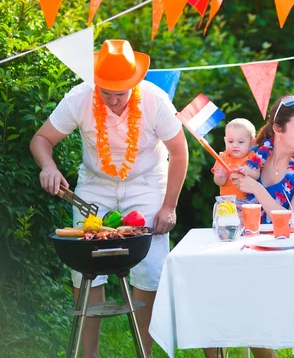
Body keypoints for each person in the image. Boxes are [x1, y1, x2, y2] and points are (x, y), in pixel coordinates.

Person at [30, 39, 189, 358]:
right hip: (94, 186)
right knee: (86, 265)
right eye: (107, 93)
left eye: (122, 93)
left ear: (135, 83)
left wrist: (169, 207)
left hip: (147, 183)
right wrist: (48, 166)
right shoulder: (79, 97)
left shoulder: (155, 100)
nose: (115, 101)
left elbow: (179, 152)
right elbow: (42, 139)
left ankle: (145, 352)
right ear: (96, 84)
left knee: (151, 268)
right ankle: (89, 355)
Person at [230, 95, 294, 223]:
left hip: (287, 242)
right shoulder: (252, 157)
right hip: (247, 238)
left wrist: (257, 189)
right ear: (277, 129)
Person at [212, 118, 259, 200]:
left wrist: (247, 171)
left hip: (247, 201)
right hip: (227, 200)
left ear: (252, 143)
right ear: (225, 141)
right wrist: (222, 176)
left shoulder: (253, 157)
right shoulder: (222, 158)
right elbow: (218, 182)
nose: (235, 145)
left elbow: (257, 175)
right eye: (230, 141)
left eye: (240, 142)